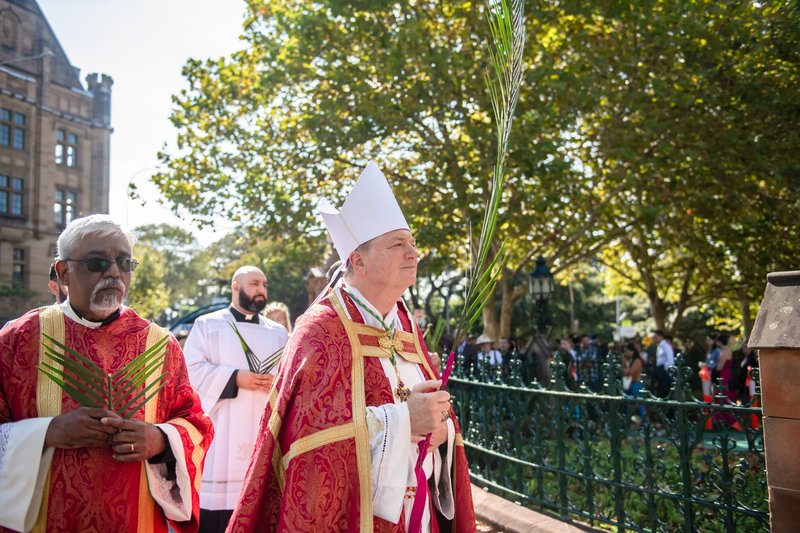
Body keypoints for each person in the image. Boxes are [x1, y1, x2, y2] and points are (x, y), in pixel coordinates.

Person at [228, 162, 476, 531]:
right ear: (357, 260)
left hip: (421, 516)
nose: (413, 253)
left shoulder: (406, 325)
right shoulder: (321, 329)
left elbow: (434, 418)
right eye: (398, 244)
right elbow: (308, 444)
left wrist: (442, 432)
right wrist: (405, 421)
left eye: (412, 243)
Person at [0, 214, 213, 532]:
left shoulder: (159, 344)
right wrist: (48, 432)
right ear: (63, 271)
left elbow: (194, 424)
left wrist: (159, 440)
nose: (114, 272)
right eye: (97, 262)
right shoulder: (20, 339)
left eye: (124, 263)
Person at [184, 266, 289, 533]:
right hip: (221, 436)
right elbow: (190, 371)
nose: (261, 290)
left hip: (262, 430)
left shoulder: (278, 333)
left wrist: (277, 383)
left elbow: (290, 375)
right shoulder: (208, 325)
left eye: (264, 284)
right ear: (235, 286)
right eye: (254, 284)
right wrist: (234, 378)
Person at [652, 329, 675, 398]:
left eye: (655, 337)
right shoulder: (659, 346)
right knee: (660, 390)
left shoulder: (666, 346)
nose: (654, 339)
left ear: (660, 337)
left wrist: (666, 371)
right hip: (660, 369)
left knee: (665, 390)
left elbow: (670, 360)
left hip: (665, 370)